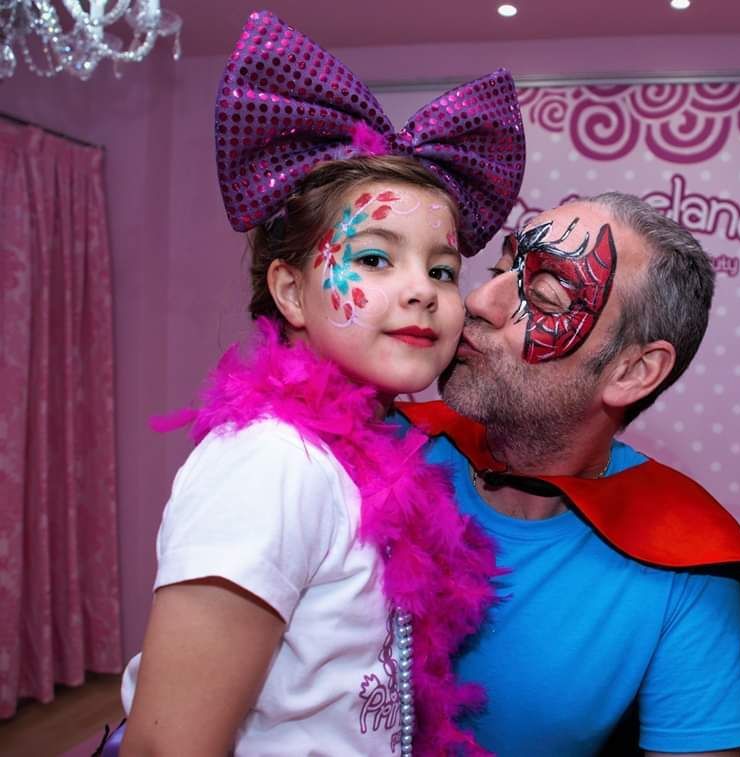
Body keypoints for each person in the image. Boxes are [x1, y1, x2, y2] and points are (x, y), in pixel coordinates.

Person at [117, 11, 525, 756]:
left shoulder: (369, 455)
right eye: (374, 258)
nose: (422, 290)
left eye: (441, 268)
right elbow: (166, 744)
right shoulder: (270, 463)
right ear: (292, 291)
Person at [398, 193, 740, 756]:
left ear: (632, 371)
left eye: (544, 294)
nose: (478, 300)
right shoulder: (382, 447)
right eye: (501, 267)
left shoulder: (687, 561)